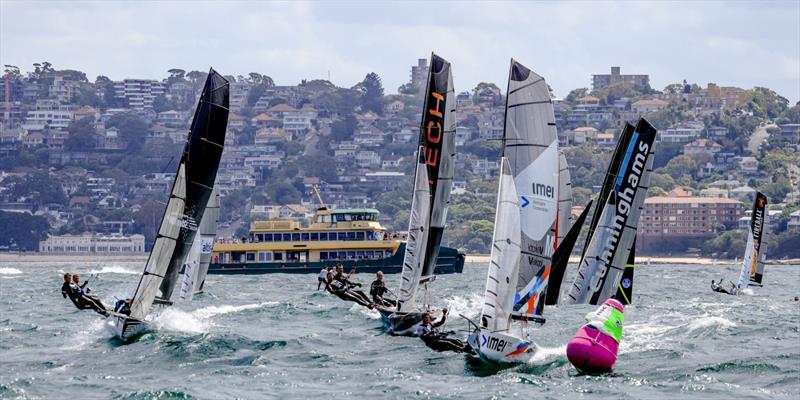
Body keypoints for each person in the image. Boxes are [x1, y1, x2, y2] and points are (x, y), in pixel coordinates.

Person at [566, 298, 625, 372]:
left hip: (575, 348)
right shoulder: (619, 321)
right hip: (603, 356)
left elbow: (588, 316)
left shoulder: (597, 313)